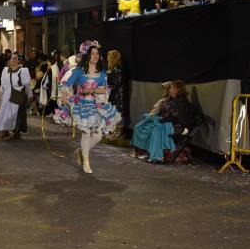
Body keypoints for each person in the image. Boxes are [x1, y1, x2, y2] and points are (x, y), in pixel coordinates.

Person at [54, 43, 121, 174]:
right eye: (93, 54)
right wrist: (66, 96)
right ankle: (86, 161)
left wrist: (93, 89)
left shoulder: (101, 72)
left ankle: (81, 151)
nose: (96, 56)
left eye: (97, 54)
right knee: (86, 133)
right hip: (81, 105)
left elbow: (104, 89)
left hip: (96, 106)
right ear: (88, 56)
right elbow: (66, 84)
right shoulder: (80, 70)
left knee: (97, 136)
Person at [131, 80, 192, 163]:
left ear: (177, 89)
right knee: (146, 124)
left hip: (178, 127)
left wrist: (159, 119)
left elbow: (172, 117)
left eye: (171, 88)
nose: (169, 90)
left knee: (156, 129)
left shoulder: (181, 101)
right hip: (170, 124)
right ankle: (147, 151)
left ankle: (154, 155)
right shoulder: (173, 100)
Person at [0, 53, 32, 140]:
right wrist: (0, 90)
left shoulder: (23, 71)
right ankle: (5, 132)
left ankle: (16, 133)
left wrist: (30, 94)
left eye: (15, 58)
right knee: (5, 114)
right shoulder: (6, 70)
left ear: (18, 60)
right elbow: (3, 84)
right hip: (7, 95)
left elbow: (27, 85)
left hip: (18, 95)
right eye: (12, 58)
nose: (13, 60)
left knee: (16, 114)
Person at [106, 50, 126, 140]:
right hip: (116, 94)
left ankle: (119, 133)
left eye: (109, 57)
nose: (107, 59)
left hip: (119, 95)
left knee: (119, 113)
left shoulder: (118, 68)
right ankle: (115, 131)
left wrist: (109, 85)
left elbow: (117, 83)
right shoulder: (114, 68)